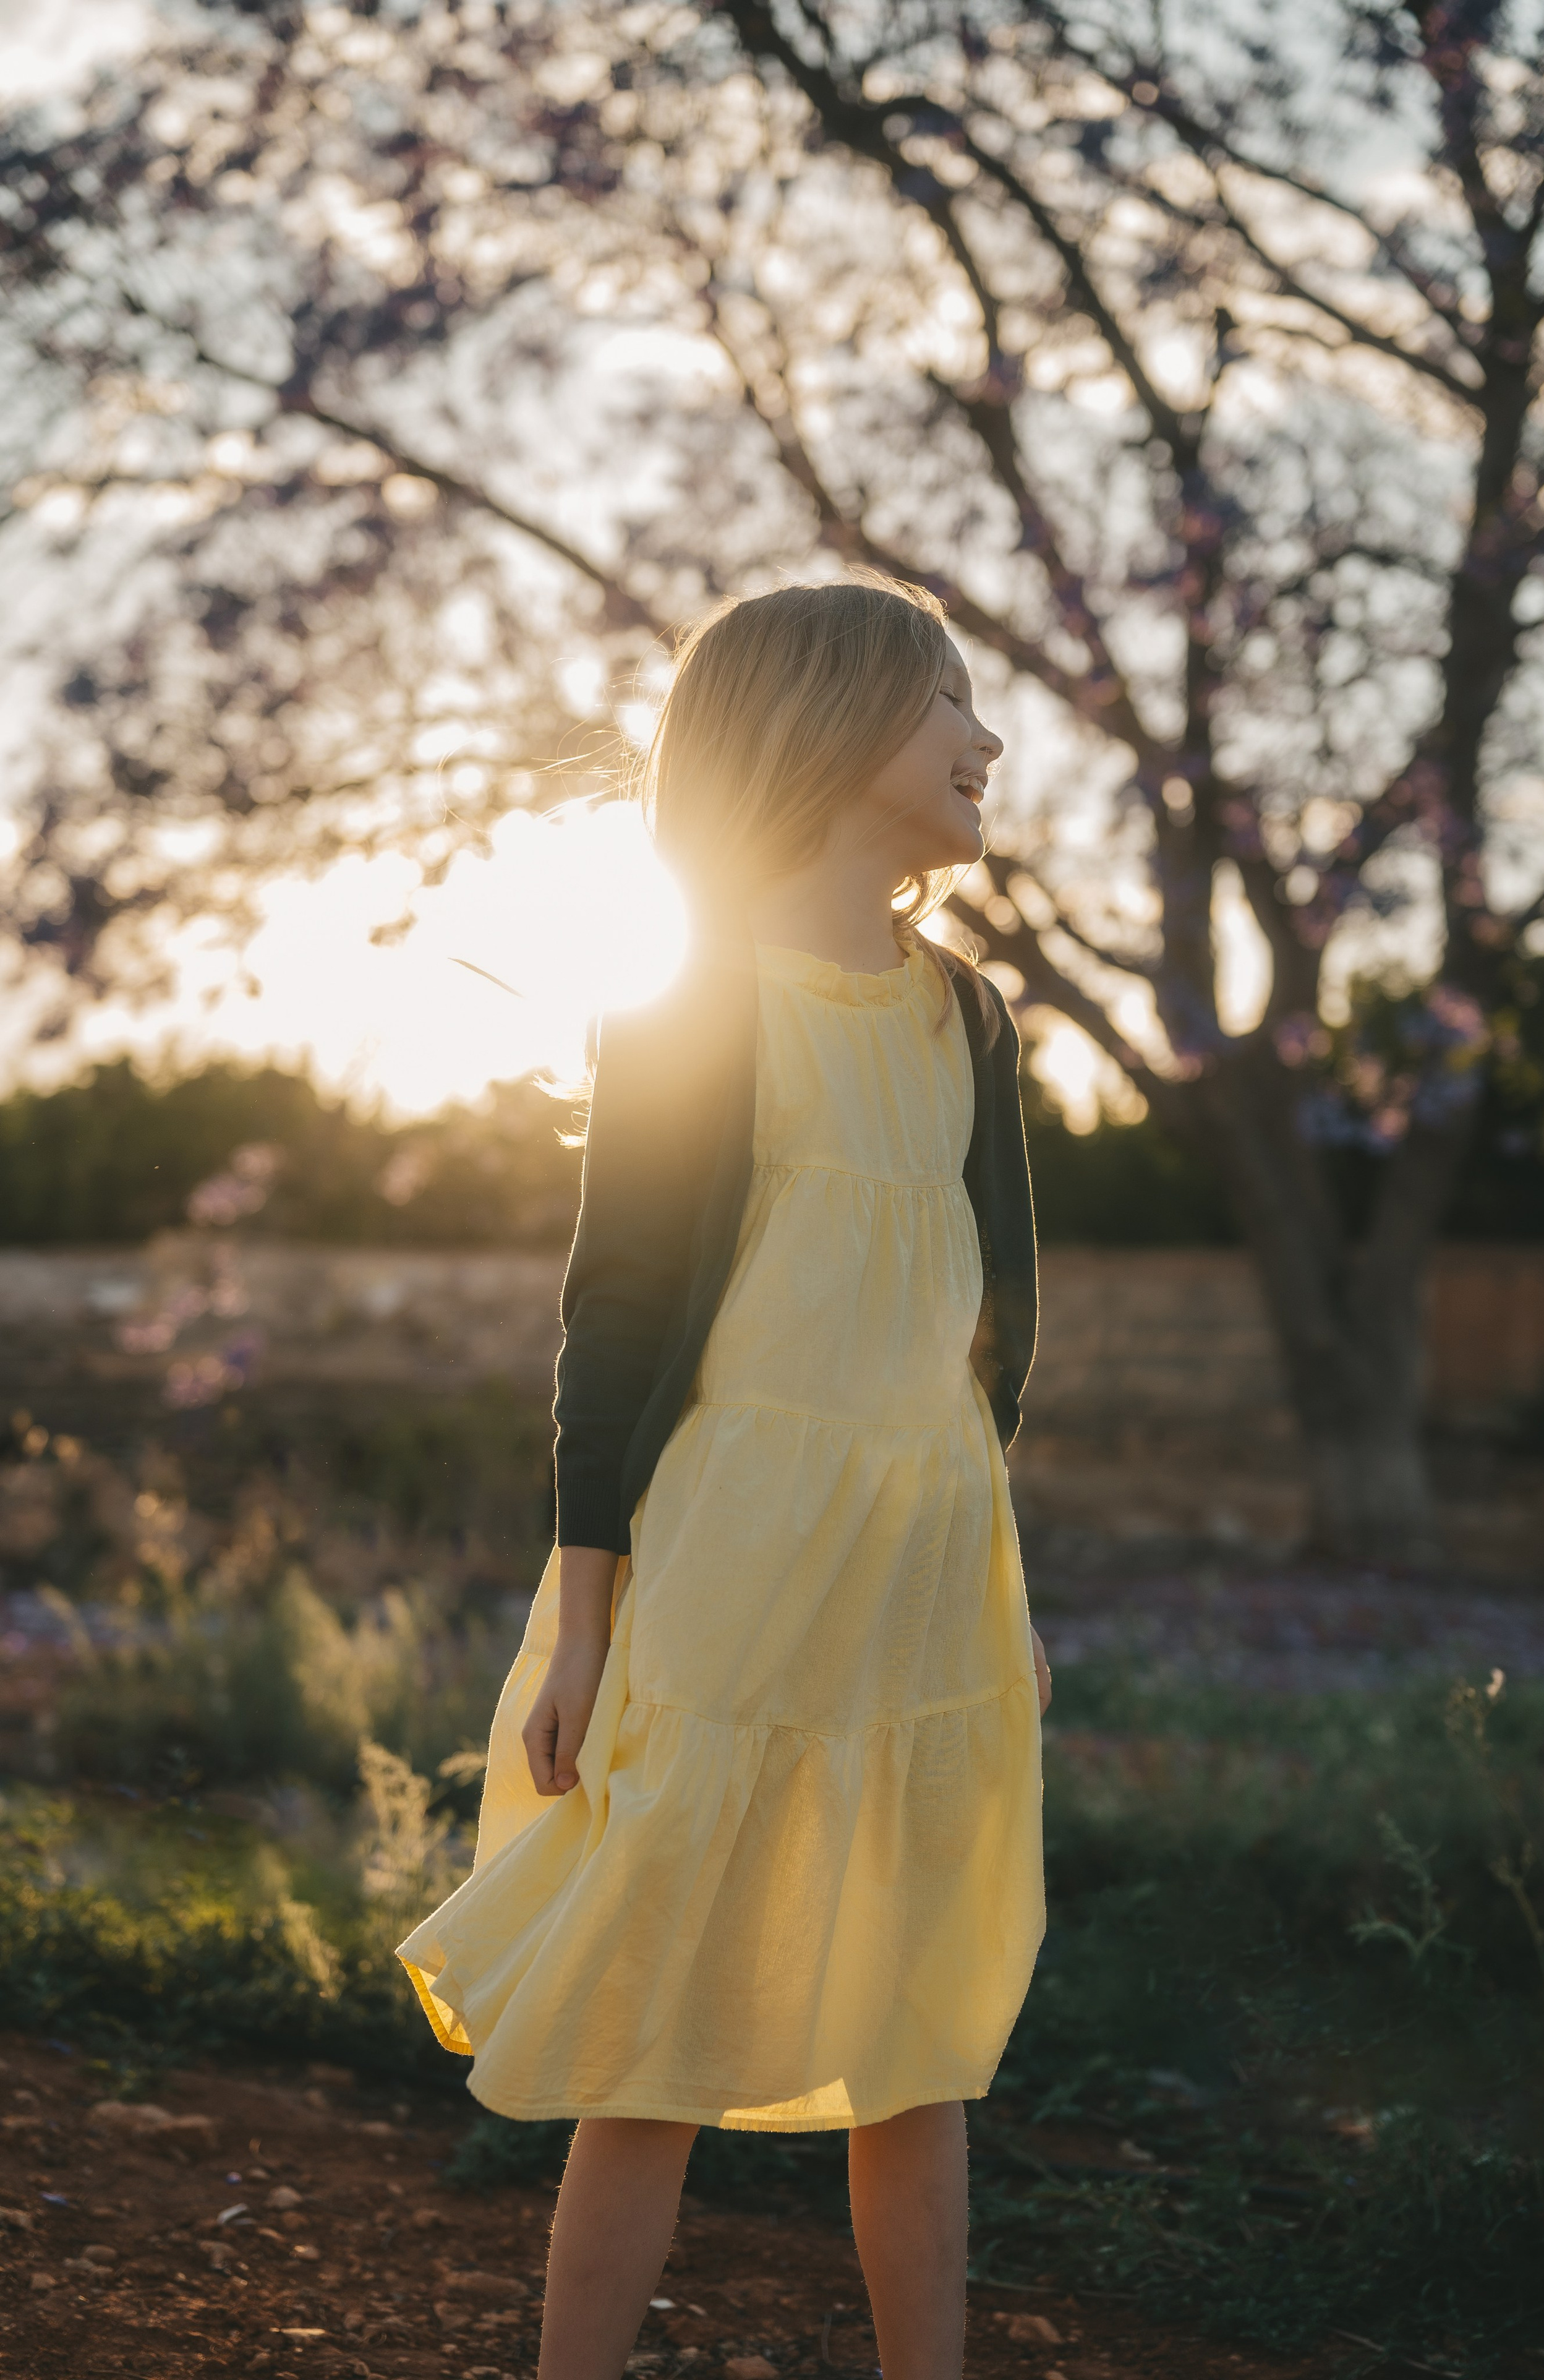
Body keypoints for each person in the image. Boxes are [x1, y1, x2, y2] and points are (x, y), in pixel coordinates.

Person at [398, 575, 1052, 2380]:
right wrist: (583, 1628)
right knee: (652, 2017)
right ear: (830, 727)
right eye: (950, 703)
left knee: (916, 2029)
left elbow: (989, 1337)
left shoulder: (970, 1018)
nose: (989, 740)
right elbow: (610, 1329)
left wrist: (1001, 1587)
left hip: (924, 1575)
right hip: (732, 1568)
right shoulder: (693, 1006)